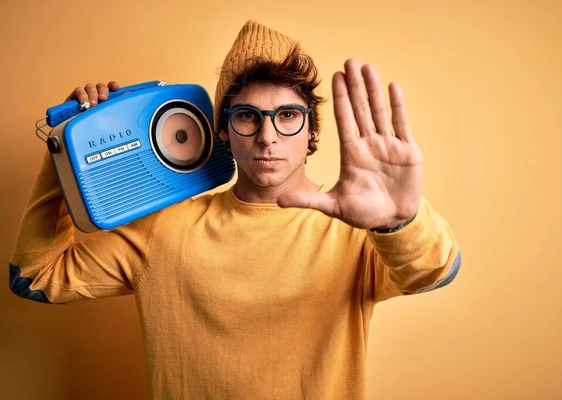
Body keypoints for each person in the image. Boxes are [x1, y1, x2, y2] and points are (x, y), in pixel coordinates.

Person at [8, 20, 462, 400]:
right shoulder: (163, 229)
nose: (268, 136)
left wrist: (398, 220)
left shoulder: (357, 232)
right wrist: (68, 143)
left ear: (311, 132)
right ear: (223, 131)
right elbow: (35, 278)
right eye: (247, 116)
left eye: (288, 116)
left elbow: (434, 271)